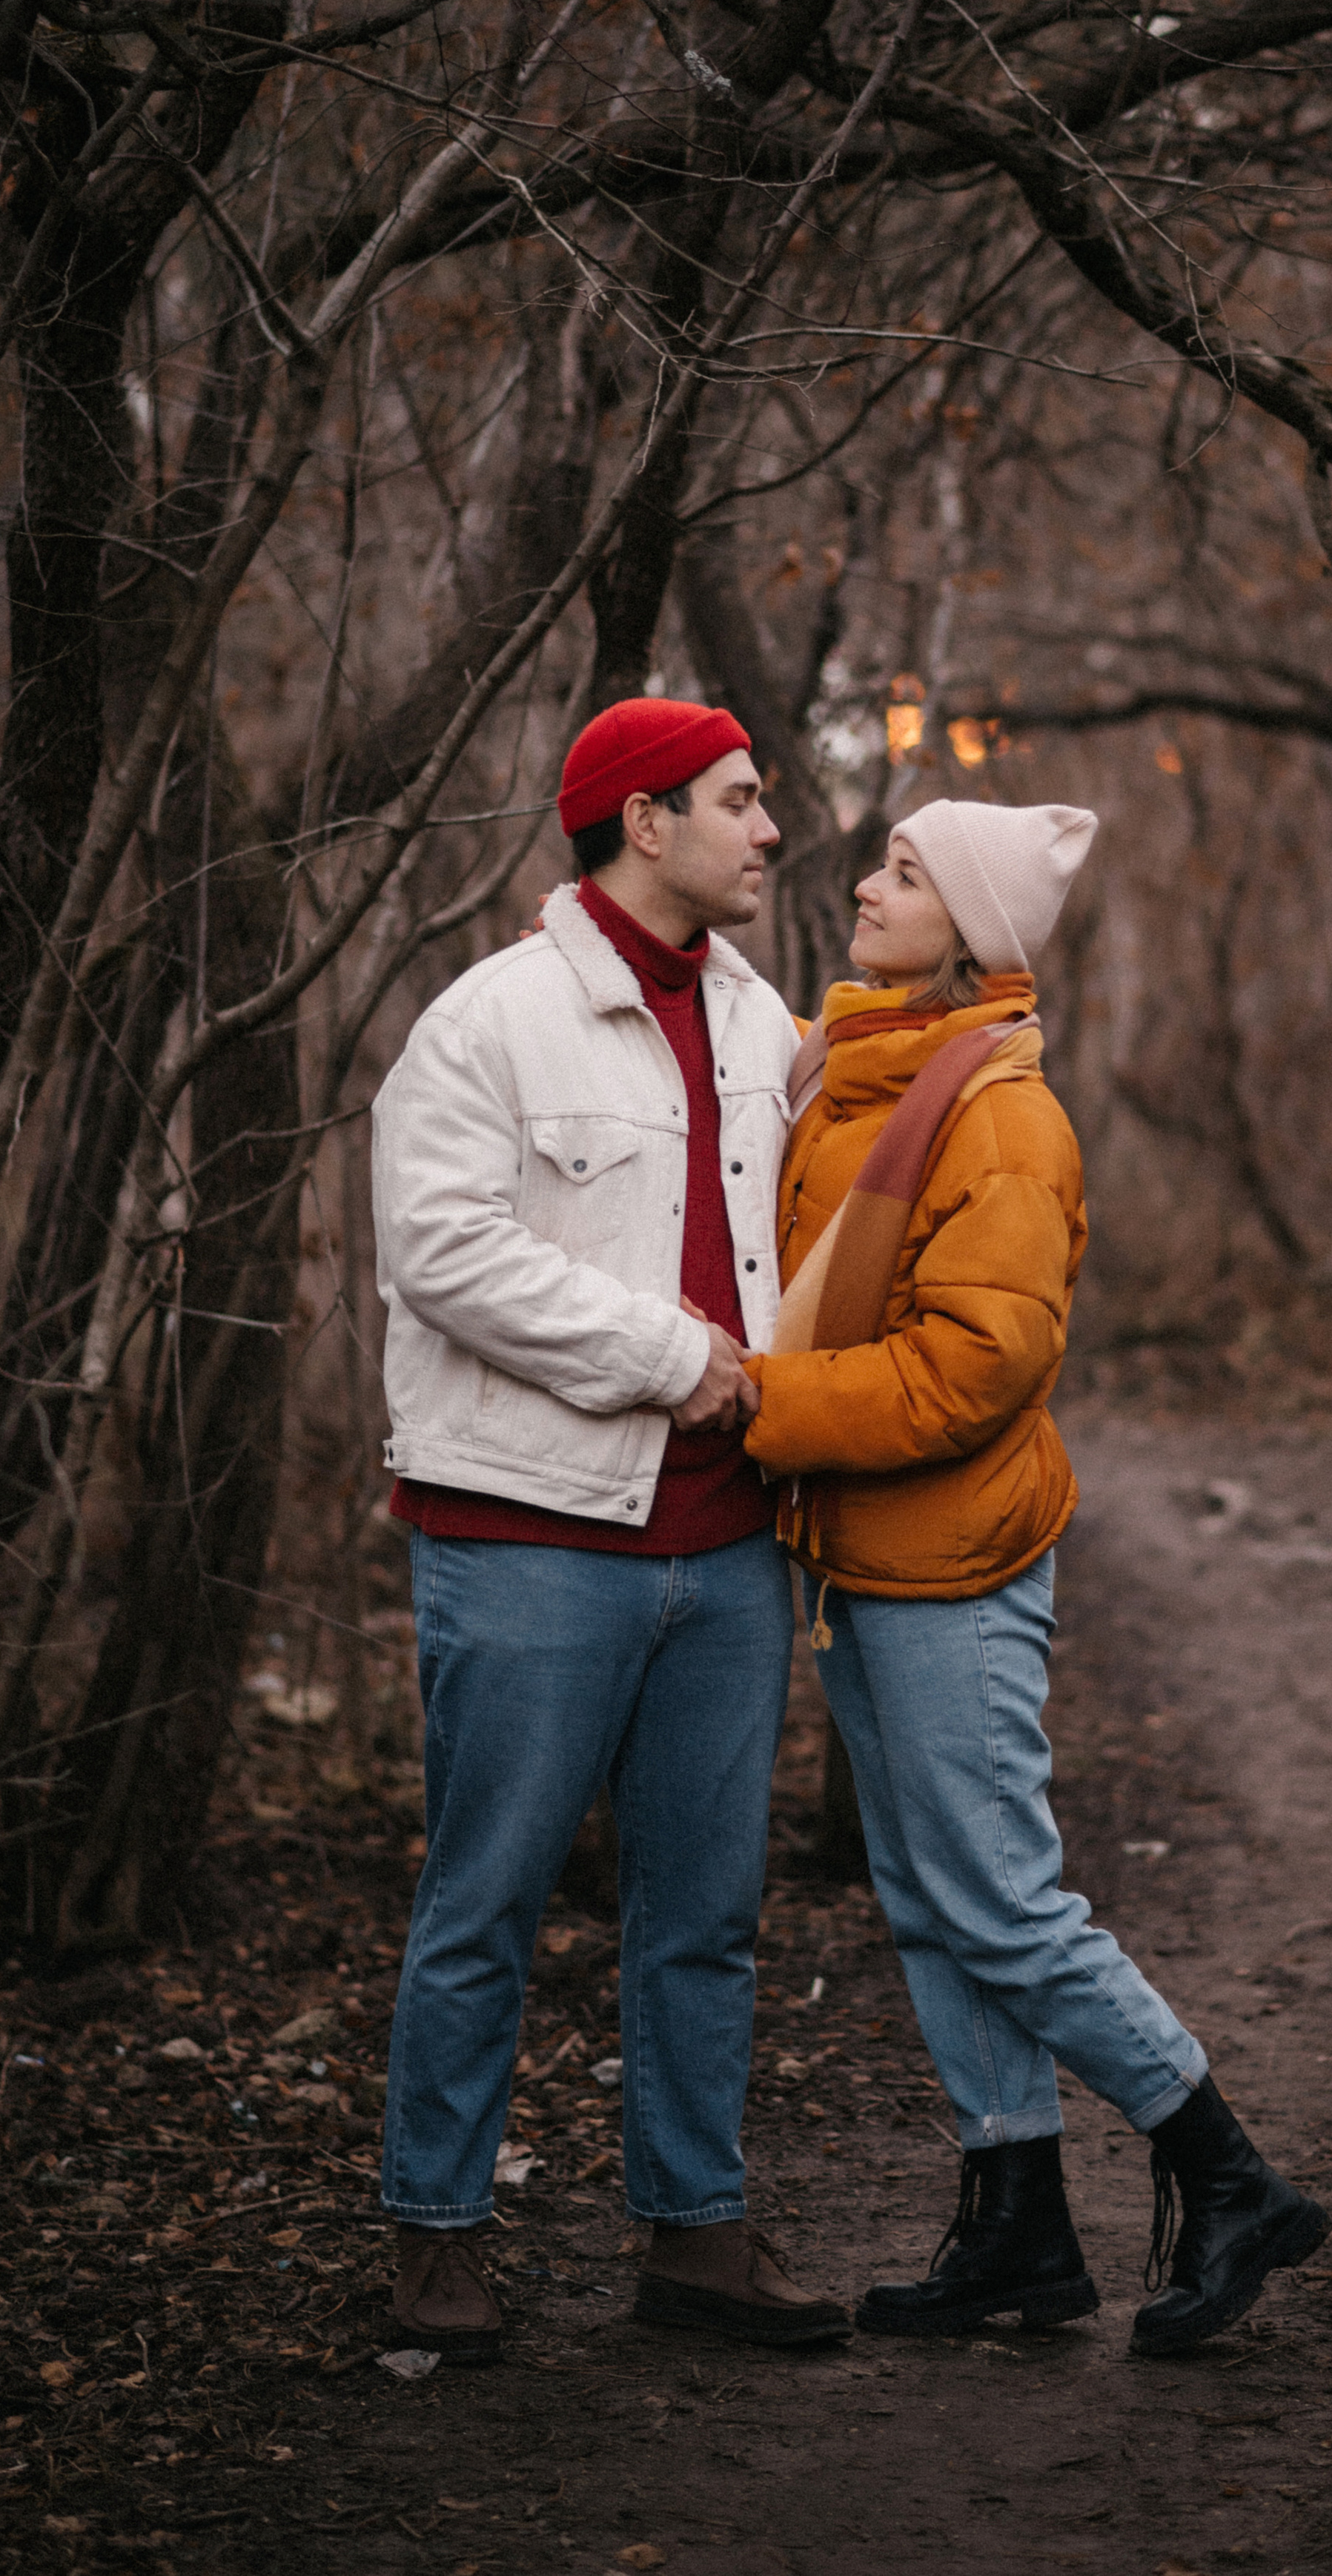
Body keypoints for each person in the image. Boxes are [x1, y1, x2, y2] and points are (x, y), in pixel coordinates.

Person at [741, 797, 1328, 2352]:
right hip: (855, 1551)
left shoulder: (997, 1114)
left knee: (999, 1899)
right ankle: (1017, 2223)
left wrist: (758, 1402)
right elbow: (744, 1032)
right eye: (880, 862)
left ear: (974, 931)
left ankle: (1225, 2175)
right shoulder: (858, 1066)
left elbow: (968, 1372)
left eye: (906, 872)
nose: (865, 883)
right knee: (929, 1898)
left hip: (948, 1558)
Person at [371, 697, 849, 2361]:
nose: (766, 829)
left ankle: (693, 2234)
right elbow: (442, 1253)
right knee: (485, 1901)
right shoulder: (487, 1021)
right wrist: (677, 1365)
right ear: (641, 823)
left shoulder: (753, 1015)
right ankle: (435, 2236)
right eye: (734, 800)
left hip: (724, 1555)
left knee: (705, 1912)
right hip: (526, 1540)